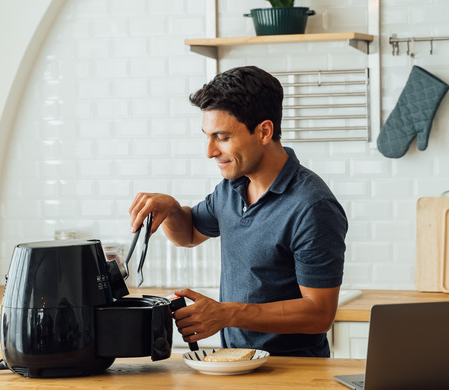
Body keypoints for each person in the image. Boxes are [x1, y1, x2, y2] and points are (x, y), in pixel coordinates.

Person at [128, 66, 347, 357]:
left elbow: (319, 314)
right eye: (207, 136)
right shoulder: (231, 188)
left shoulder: (312, 206)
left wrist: (227, 314)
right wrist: (170, 209)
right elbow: (189, 234)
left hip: (292, 372)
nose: (210, 151)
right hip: (236, 364)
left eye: (222, 137)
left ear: (264, 132)